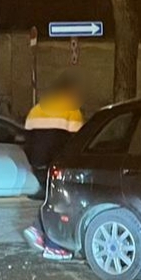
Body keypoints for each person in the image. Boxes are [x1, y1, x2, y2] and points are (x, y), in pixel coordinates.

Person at [22, 70, 84, 260]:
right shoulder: (72, 111)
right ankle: (53, 245)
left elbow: (27, 140)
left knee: (51, 200)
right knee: (61, 204)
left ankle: (37, 228)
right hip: (58, 166)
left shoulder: (36, 109)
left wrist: (34, 162)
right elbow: (79, 143)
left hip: (38, 165)